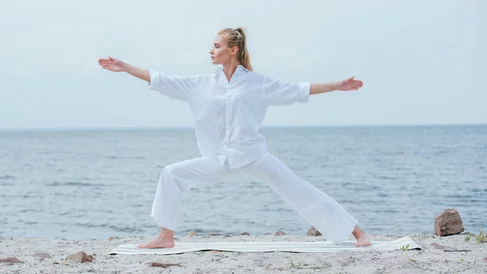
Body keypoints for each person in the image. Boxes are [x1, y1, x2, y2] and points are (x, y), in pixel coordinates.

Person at [98, 27, 371, 249]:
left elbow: (299, 90)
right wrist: (125, 67)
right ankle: (165, 237)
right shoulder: (201, 84)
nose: (211, 50)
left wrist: (337, 86)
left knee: (301, 191)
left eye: (216, 46)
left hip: (254, 158)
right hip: (219, 160)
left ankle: (358, 234)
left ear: (233, 50)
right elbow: (161, 80)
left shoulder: (258, 83)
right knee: (171, 174)